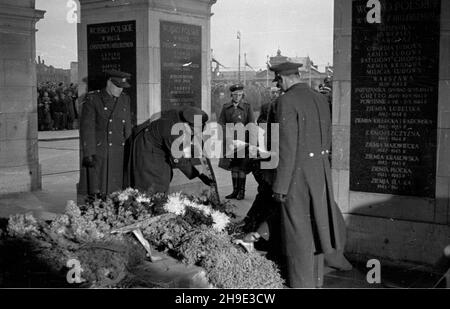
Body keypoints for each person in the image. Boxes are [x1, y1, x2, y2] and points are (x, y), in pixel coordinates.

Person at [269, 62, 348, 288]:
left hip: (297, 176)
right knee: (316, 230)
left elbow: (287, 148)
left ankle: (301, 284)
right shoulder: (320, 98)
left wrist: (281, 186)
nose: (277, 85)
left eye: (277, 80)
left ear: (284, 78)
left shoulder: (286, 101)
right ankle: (316, 282)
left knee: (298, 235)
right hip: (319, 173)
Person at [125, 106, 214, 194]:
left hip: (159, 144)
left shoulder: (185, 119)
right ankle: (147, 203)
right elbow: (178, 159)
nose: (195, 134)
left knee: (164, 177)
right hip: (146, 148)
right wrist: (198, 175)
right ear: (187, 125)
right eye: (194, 131)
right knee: (153, 182)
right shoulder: (174, 131)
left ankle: (158, 200)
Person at [78, 69, 133, 197]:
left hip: (119, 151)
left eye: (122, 87)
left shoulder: (125, 99)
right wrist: (89, 153)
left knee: (117, 187)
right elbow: (88, 128)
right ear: (109, 83)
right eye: (118, 86)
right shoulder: (93, 99)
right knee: (99, 187)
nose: (121, 90)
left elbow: (127, 126)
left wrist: (130, 148)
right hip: (101, 151)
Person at [218, 83, 255, 200]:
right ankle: (235, 191)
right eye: (235, 95)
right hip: (230, 141)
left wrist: (251, 143)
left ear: (242, 95)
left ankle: (241, 192)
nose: (237, 97)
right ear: (231, 95)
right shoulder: (225, 107)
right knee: (233, 166)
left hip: (244, 141)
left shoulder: (247, 107)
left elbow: (252, 125)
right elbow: (221, 124)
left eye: (240, 94)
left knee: (242, 166)